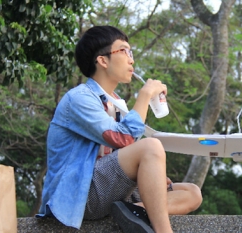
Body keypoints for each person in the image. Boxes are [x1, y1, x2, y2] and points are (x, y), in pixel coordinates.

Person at [36, 25, 202, 233]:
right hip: (80, 194)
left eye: (131, 52)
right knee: (151, 146)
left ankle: (133, 211)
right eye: (124, 51)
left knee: (191, 192)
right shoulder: (79, 98)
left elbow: (122, 153)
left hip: (111, 192)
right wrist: (145, 95)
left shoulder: (117, 103)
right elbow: (123, 139)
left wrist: (151, 175)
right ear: (103, 60)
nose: (131, 59)